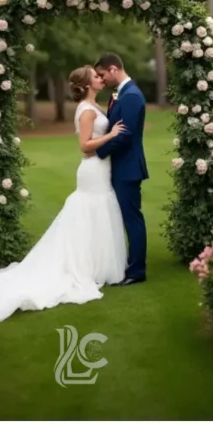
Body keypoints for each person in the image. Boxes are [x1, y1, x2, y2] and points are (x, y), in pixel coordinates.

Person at [0, 66, 128, 324]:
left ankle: (94, 266)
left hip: (102, 169)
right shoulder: (87, 111)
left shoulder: (93, 106)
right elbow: (85, 146)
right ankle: (82, 268)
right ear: (87, 84)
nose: (101, 78)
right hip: (93, 169)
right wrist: (111, 135)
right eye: (96, 76)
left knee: (96, 214)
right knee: (89, 211)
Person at [94, 53, 149, 285]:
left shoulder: (132, 96)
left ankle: (137, 271)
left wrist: (98, 152)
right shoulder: (120, 93)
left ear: (114, 69)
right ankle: (127, 263)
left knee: (131, 219)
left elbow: (125, 135)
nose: (102, 79)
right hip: (119, 166)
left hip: (127, 168)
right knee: (122, 218)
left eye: (103, 74)